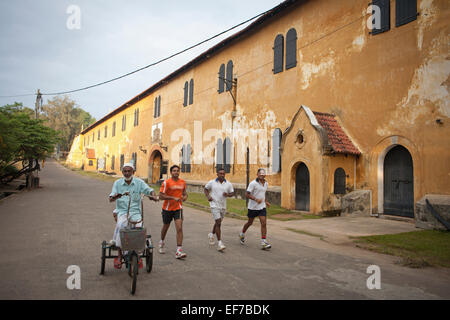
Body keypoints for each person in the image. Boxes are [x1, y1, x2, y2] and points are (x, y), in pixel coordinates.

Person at [109, 163, 158, 269]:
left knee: (139, 228)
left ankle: (138, 255)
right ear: (122, 172)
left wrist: (153, 195)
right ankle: (119, 255)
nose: (127, 173)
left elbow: (149, 190)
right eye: (125, 171)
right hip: (122, 211)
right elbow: (111, 198)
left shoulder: (139, 182)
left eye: (129, 171)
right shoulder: (117, 183)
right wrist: (115, 196)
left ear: (133, 172)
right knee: (122, 225)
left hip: (135, 212)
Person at [158, 165, 188, 259]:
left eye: (177, 171)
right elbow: (161, 196)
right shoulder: (166, 183)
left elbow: (185, 194)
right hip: (167, 208)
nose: (176, 172)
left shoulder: (182, 182)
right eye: (174, 171)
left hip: (178, 208)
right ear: (171, 172)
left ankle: (179, 251)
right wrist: (172, 198)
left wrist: (184, 197)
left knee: (179, 228)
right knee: (166, 226)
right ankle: (162, 241)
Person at [239, 168, 271, 250]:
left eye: (263, 174)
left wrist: (266, 201)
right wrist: (256, 199)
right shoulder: (253, 183)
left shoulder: (266, 183)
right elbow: (247, 194)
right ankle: (242, 233)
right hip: (253, 207)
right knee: (250, 222)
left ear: (265, 175)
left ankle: (263, 241)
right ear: (257, 174)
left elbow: (262, 194)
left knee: (263, 223)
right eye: (260, 174)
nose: (262, 175)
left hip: (262, 207)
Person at [204, 168, 234, 252]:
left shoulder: (228, 184)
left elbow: (232, 193)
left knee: (218, 222)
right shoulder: (212, 182)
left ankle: (211, 234)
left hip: (223, 206)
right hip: (214, 205)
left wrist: (227, 194)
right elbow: (206, 189)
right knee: (218, 223)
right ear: (217, 174)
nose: (222, 175)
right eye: (220, 173)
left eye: (223, 173)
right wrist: (208, 196)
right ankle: (220, 243)